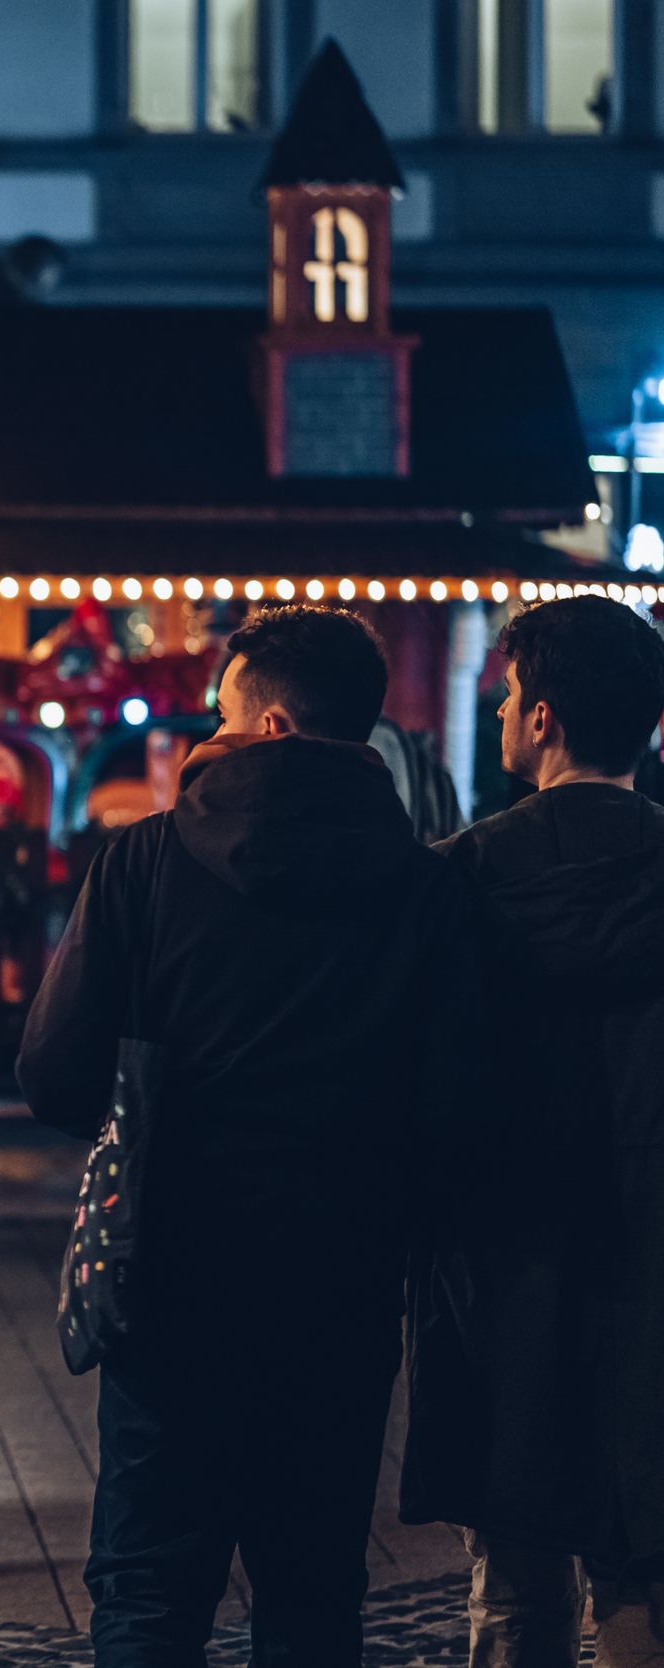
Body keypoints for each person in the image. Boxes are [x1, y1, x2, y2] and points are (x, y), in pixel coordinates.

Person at [18, 605, 487, 1667]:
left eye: (221, 717)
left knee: (146, 1583)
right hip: (341, 1284)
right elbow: (457, 1103)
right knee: (312, 1586)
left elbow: (53, 1076)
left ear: (269, 726)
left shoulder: (143, 864)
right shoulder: (425, 886)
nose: (208, 736)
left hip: (167, 1273)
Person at [403, 595, 664, 1667]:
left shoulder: (460, 876)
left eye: (509, 693)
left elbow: (423, 1074)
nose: (504, 710)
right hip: (650, 1257)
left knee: (513, 1569)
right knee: (640, 1565)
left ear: (544, 717)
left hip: (502, 1256)